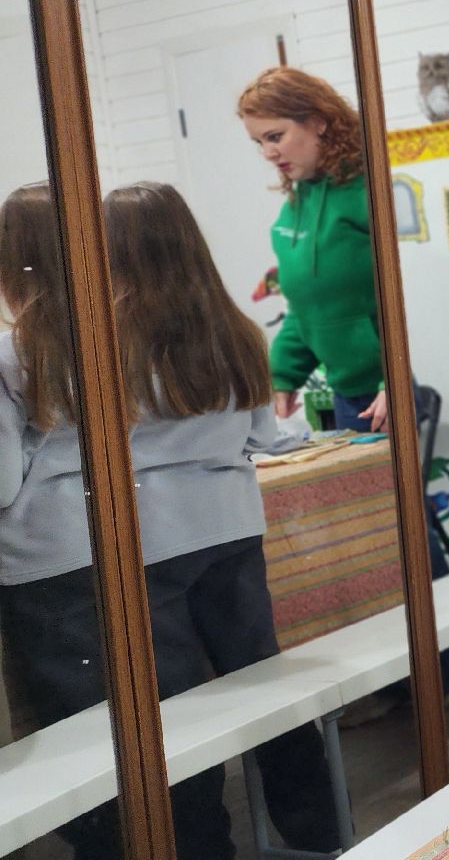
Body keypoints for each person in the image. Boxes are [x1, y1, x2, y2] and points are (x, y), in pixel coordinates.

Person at [0, 183, 341, 859]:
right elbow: (263, 436)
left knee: (163, 721)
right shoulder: (237, 333)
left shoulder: (69, 344)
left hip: (109, 543)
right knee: (258, 687)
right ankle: (321, 830)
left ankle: (200, 843)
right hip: (228, 525)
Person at [236, 65, 449, 701]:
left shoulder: (364, 194)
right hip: (344, 393)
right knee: (366, 541)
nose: (268, 152)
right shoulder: (297, 205)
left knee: (404, 536)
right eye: (258, 142)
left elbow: (399, 297)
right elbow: (307, 306)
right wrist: (284, 373)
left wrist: (392, 373)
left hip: (385, 391)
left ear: (319, 123)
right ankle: (392, 681)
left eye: (275, 135)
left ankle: (440, 677)